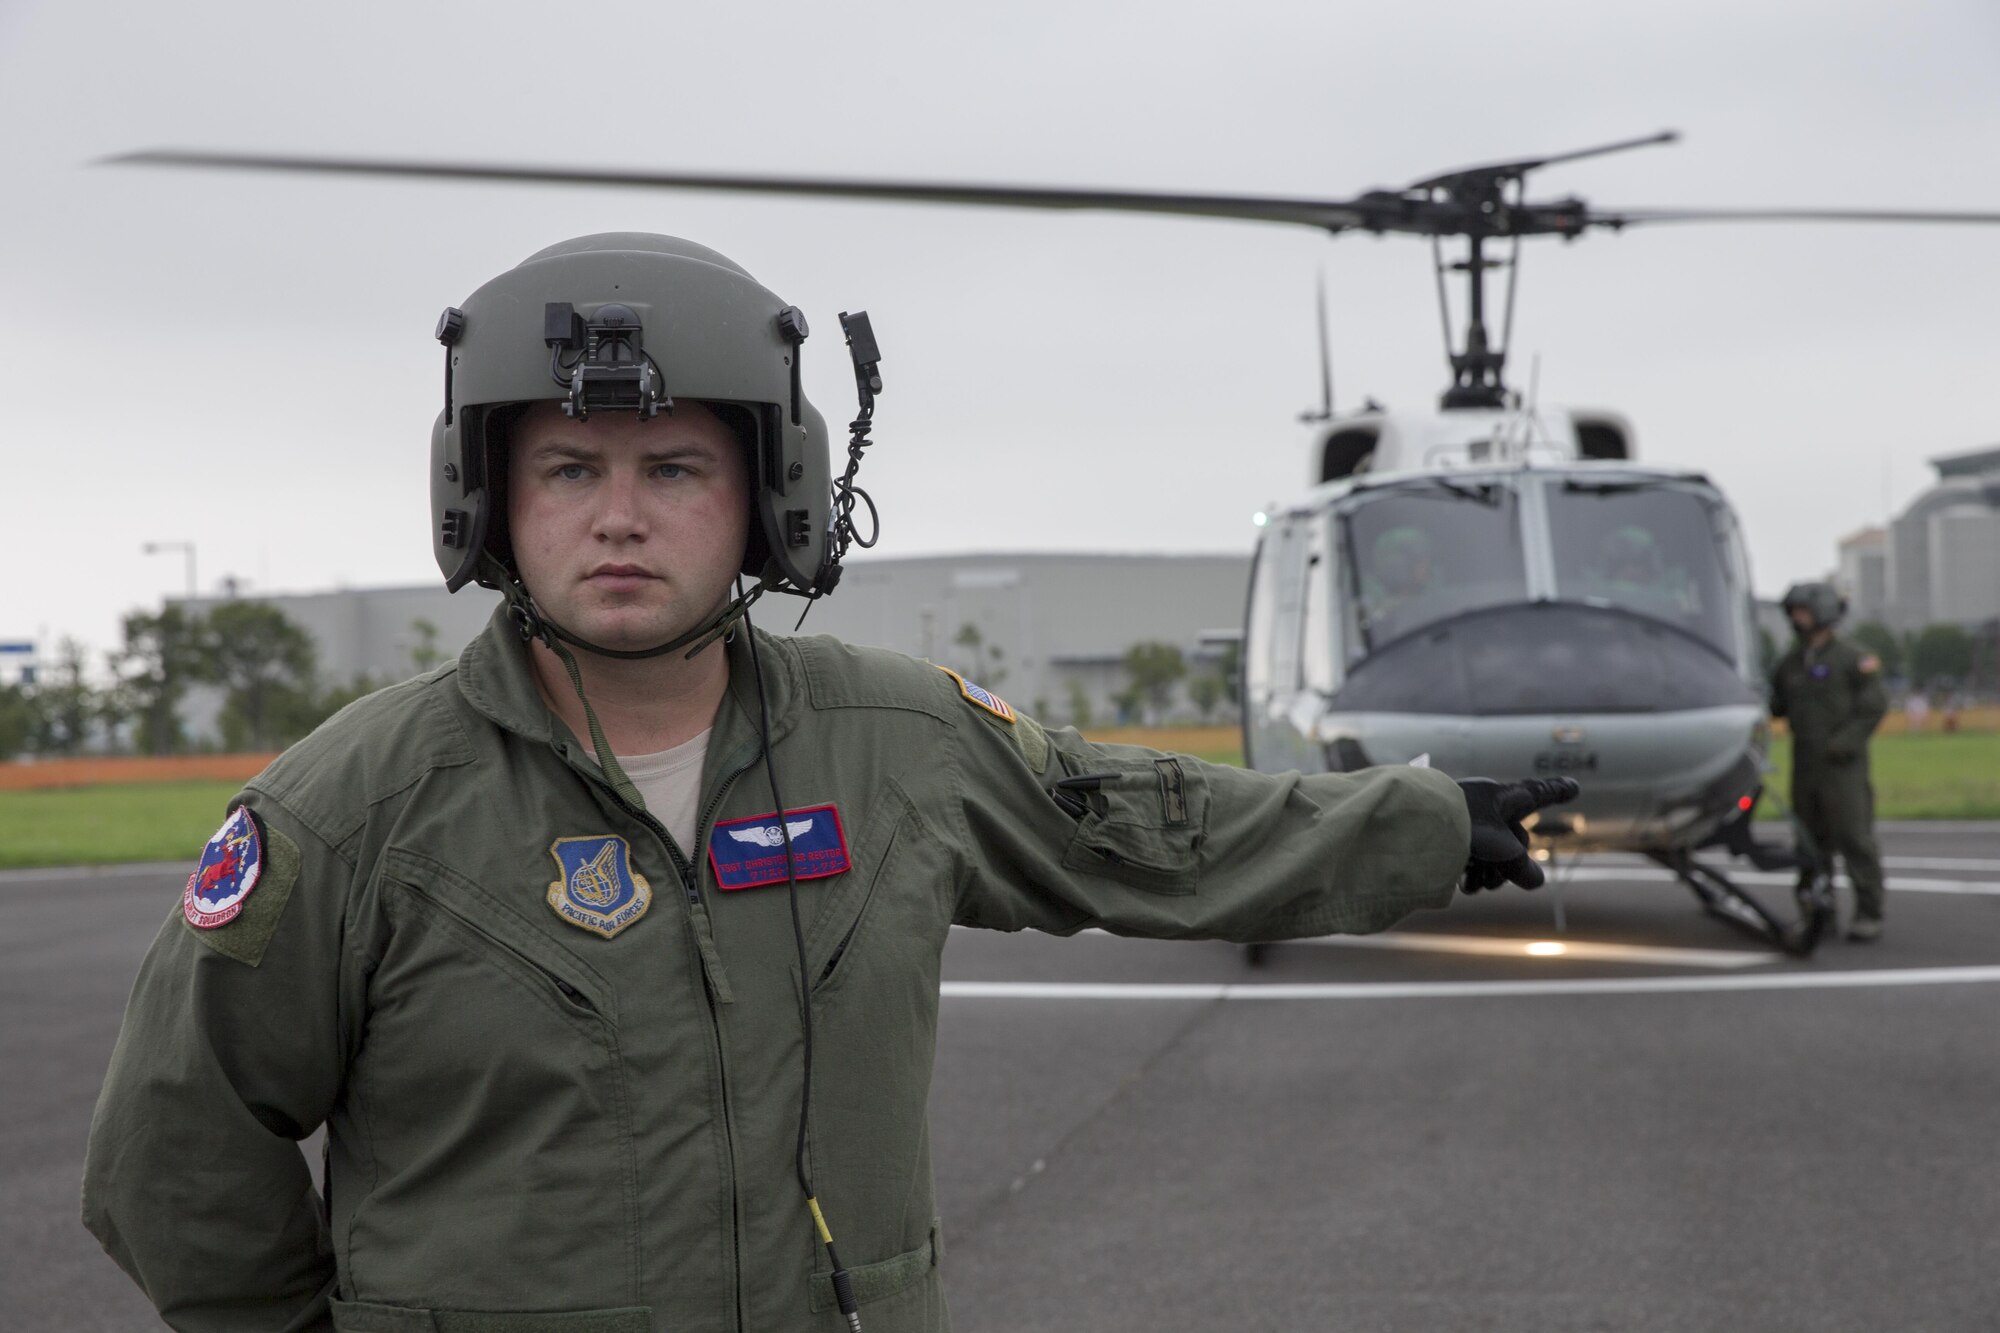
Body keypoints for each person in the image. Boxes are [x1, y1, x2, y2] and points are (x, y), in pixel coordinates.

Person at [83, 233, 1579, 1333]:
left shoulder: (897, 740)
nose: (620, 518)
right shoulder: (351, 811)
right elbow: (176, 1150)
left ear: (767, 498)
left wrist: (1420, 819)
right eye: (567, 471)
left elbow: (1140, 829)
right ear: (485, 495)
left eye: (673, 469)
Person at [1770, 581, 1888, 942]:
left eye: (1803, 610)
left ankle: (1869, 913)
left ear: (1822, 612)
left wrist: (1843, 744)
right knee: (1808, 843)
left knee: (1854, 839)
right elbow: (1777, 705)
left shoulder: (1853, 659)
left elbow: (1873, 707)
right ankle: (1817, 912)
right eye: (1793, 611)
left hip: (1843, 768)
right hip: (1805, 766)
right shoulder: (1790, 663)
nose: (1796, 617)